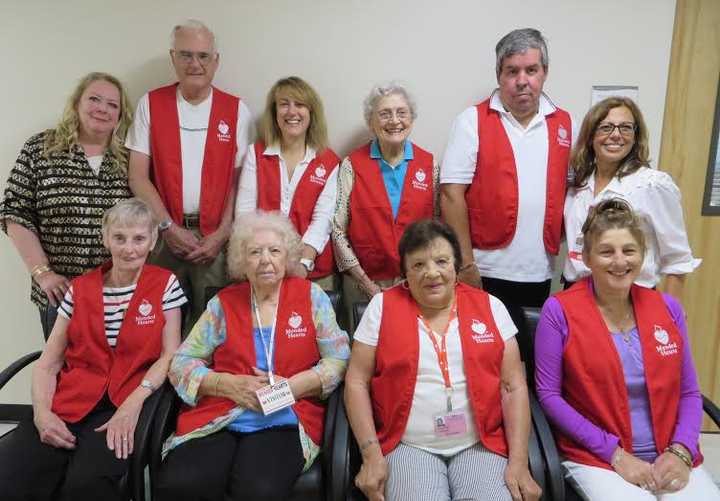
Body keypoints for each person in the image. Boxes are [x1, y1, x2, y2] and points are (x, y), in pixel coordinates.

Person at [155, 211, 350, 501]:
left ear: (288, 257)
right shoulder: (223, 304)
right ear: (241, 262)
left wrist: (293, 386)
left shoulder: (311, 297)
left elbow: (338, 359)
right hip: (220, 414)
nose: (265, 260)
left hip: (285, 416)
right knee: (182, 484)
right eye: (254, 252)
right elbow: (182, 362)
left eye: (274, 251)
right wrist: (225, 384)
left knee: (259, 490)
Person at [0, 198, 185, 500]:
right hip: (70, 401)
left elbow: (170, 355)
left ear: (152, 241)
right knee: (10, 477)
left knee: (86, 486)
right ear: (105, 239)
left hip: (125, 402)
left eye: (139, 238)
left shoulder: (166, 285)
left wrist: (132, 405)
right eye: (119, 238)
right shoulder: (80, 288)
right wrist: (43, 415)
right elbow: (48, 363)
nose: (129, 248)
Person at [535, 198, 720, 500]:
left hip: (669, 452)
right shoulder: (559, 311)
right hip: (598, 456)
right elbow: (549, 396)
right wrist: (615, 454)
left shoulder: (667, 308)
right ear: (586, 257)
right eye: (606, 251)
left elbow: (689, 392)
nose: (619, 261)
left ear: (642, 255)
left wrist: (682, 450)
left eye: (629, 250)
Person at [345, 219, 541, 501]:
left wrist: (519, 463)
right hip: (409, 444)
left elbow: (513, 386)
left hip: (479, 443)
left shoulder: (490, 307)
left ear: (456, 266)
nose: (432, 273)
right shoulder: (382, 307)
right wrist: (371, 454)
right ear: (405, 273)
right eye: (419, 265)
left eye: (441, 261)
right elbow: (356, 381)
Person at [440, 28, 574, 360]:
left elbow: (572, 190)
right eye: (512, 71)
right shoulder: (472, 120)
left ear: (545, 72)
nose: (522, 80)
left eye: (531, 70)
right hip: (484, 269)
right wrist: (466, 263)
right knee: (481, 358)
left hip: (538, 270)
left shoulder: (564, 123)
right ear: (499, 75)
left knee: (527, 359)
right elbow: (451, 195)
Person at [126, 19, 252, 332]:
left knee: (212, 328)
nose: (194, 64)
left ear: (216, 60)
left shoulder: (237, 110)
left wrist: (222, 233)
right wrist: (168, 227)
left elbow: (242, 183)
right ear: (172, 58)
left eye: (203, 56)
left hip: (216, 240)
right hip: (162, 236)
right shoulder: (151, 105)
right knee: (154, 324)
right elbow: (138, 176)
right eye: (185, 55)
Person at [0, 72, 133, 339]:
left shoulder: (130, 160)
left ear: (120, 116)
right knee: (59, 375)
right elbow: (14, 212)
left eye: (112, 104)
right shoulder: (42, 148)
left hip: (118, 295)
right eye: (94, 99)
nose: (102, 109)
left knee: (115, 377)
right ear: (76, 104)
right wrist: (43, 273)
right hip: (60, 292)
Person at [562, 97, 699, 297]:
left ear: (636, 136)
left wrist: (668, 316)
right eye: (606, 127)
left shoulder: (652, 185)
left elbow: (677, 260)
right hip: (575, 294)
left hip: (628, 297)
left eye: (625, 127)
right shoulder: (578, 184)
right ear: (591, 136)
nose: (616, 135)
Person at [332, 82, 438, 321]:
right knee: (365, 351)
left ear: (412, 118)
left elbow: (437, 228)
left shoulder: (429, 165)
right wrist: (365, 283)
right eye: (384, 114)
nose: (394, 120)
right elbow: (337, 229)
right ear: (371, 121)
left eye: (402, 112)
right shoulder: (352, 165)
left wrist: (414, 278)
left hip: (417, 281)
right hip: (361, 283)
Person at [236, 76, 339, 290]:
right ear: (274, 113)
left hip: (313, 271)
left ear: (312, 113)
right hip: (262, 268)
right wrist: (264, 260)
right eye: (284, 104)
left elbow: (323, 220)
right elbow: (245, 215)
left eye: (300, 104)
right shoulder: (256, 154)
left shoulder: (329, 161)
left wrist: (304, 263)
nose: (292, 112)